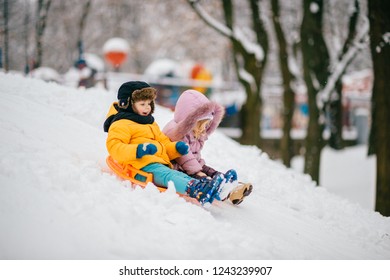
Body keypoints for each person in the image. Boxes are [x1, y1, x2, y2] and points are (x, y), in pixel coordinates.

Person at [103, 81, 230, 207]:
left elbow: (162, 141)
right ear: (127, 104)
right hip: (141, 164)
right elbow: (115, 147)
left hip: (159, 162)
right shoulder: (121, 124)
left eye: (149, 103)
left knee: (176, 174)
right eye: (142, 104)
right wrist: (138, 150)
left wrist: (175, 148)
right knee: (167, 176)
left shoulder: (149, 123)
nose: (147, 107)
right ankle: (195, 188)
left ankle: (204, 186)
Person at [163, 89, 253, 205]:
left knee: (211, 173)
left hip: (191, 166)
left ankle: (230, 188)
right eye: (203, 124)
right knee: (204, 177)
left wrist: (205, 169)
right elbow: (185, 158)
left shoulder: (196, 133)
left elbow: (195, 157)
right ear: (191, 121)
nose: (204, 128)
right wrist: (200, 173)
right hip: (176, 167)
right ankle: (216, 188)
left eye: (207, 125)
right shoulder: (176, 132)